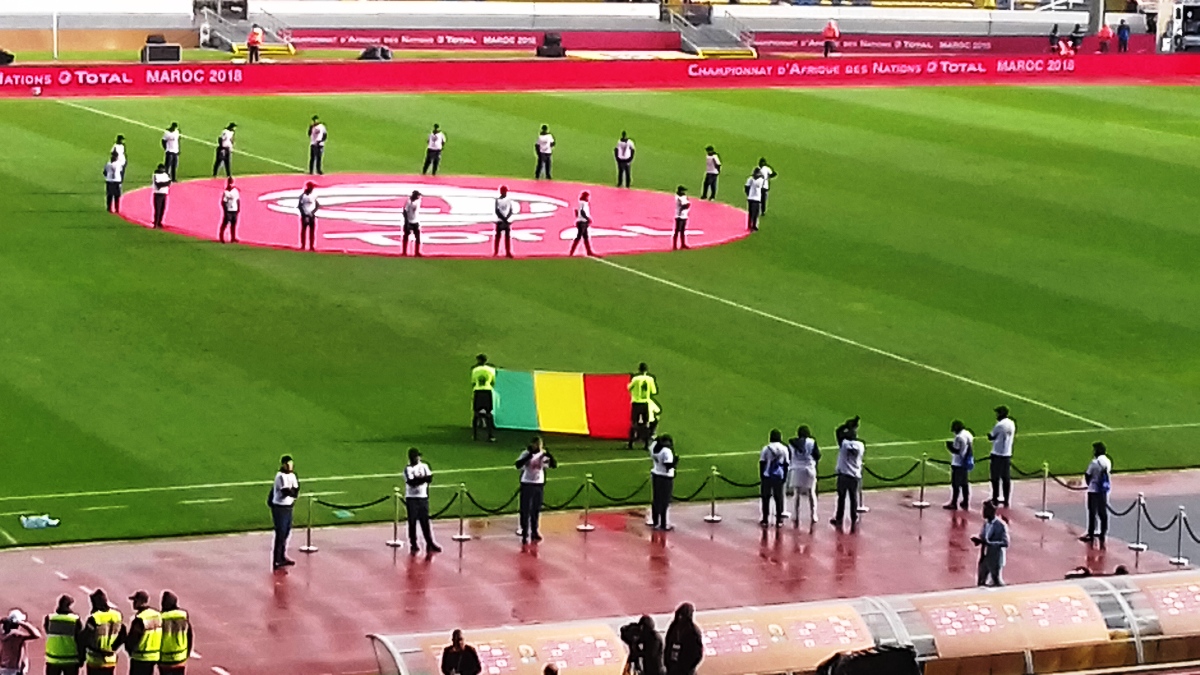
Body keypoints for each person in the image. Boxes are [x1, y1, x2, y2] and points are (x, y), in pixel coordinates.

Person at [515, 436, 556, 544]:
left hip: (538, 484)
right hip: (527, 483)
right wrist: (529, 456)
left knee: (536, 509)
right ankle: (524, 532)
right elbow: (518, 465)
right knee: (525, 509)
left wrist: (549, 455)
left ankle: (534, 531)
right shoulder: (526, 453)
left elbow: (553, 465)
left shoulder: (543, 455)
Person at [404, 447, 442, 554]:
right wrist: (422, 479)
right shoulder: (407, 469)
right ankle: (413, 544)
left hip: (423, 497)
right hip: (411, 498)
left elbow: (429, 478)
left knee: (425, 522)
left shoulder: (424, 466)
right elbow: (412, 482)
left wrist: (419, 479)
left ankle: (430, 543)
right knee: (412, 522)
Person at [81, 590, 125, 675]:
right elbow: (123, 635)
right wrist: (113, 648)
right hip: (110, 659)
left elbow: (85, 638)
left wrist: (81, 656)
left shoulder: (94, 618)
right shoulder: (117, 615)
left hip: (95, 660)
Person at [831, 418, 864, 530]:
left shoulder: (844, 444)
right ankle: (854, 518)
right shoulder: (860, 445)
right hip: (855, 475)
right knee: (853, 497)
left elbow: (838, 432)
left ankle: (839, 518)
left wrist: (846, 425)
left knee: (841, 498)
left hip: (844, 475)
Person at [269, 455, 300, 570]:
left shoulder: (292, 476)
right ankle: (277, 559)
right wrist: (292, 492)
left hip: (288, 506)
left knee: (286, 531)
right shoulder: (280, 476)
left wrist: (292, 492)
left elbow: (295, 490)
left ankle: (282, 556)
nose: (289, 466)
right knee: (280, 532)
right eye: (287, 464)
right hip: (280, 507)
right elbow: (286, 491)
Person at [1080, 442, 1113, 546]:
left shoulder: (1094, 463)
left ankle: (1091, 533)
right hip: (1103, 490)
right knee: (1102, 512)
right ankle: (1103, 532)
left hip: (1093, 490)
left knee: (1092, 512)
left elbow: (1088, 475)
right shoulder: (1107, 461)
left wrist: (1090, 483)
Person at [787, 425, 820, 526]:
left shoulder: (792, 444)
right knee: (811, 493)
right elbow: (817, 455)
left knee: (796, 494)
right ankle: (813, 515)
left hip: (796, 469)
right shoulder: (812, 442)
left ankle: (795, 515)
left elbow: (789, 456)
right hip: (809, 469)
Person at [44, 595, 83, 675]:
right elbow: (80, 638)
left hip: (53, 658)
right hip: (70, 659)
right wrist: (82, 658)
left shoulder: (50, 618)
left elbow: (48, 631)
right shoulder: (74, 619)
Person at [123, 592, 160, 675]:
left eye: (135, 601)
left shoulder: (140, 619)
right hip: (154, 656)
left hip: (140, 657)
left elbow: (133, 639)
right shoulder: (157, 615)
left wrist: (128, 648)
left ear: (140, 602)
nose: (133, 603)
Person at [973, 501, 1008, 587]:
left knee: (996, 581)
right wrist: (978, 539)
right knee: (981, 581)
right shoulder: (986, 523)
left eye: (985, 510)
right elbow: (983, 536)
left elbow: (1005, 542)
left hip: (995, 558)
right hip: (984, 557)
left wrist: (989, 543)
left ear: (992, 511)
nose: (982, 512)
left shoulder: (1000, 525)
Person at [987, 405, 1016, 507]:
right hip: (1007, 454)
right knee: (1006, 478)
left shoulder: (999, 425)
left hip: (997, 454)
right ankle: (1006, 499)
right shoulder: (1012, 423)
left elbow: (991, 436)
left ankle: (995, 498)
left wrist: (989, 435)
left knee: (995, 478)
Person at [759, 430, 789, 527]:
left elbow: (762, 462)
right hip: (778, 476)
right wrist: (784, 476)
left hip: (767, 475)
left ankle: (765, 519)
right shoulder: (784, 449)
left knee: (766, 498)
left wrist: (762, 475)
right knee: (778, 498)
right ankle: (779, 519)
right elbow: (786, 464)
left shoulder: (766, 448)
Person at [157, 592, 191, 675]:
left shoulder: (160, 618)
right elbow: (190, 637)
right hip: (180, 658)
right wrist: (187, 654)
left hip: (164, 659)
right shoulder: (183, 616)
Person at [943, 420, 974, 511]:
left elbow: (956, 450)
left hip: (958, 463)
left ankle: (954, 503)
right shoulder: (968, 434)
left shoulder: (959, 437)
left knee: (956, 484)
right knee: (964, 483)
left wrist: (948, 446)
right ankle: (965, 501)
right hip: (965, 461)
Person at [663, 603, 702, 675]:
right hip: (673, 667)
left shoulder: (693, 632)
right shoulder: (673, 627)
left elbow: (698, 653)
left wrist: (688, 668)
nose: (680, 618)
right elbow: (667, 643)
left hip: (684, 669)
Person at [649, 435, 677, 531]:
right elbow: (668, 466)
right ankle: (663, 524)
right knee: (664, 501)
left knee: (656, 499)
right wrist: (675, 462)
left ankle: (655, 521)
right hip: (665, 477)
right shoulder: (666, 451)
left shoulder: (653, 447)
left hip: (656, 474)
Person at [1, 610, 41, 675]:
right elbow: (37, 635)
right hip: (13, 670)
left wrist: (3, 621)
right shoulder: (16, 635)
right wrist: (22, 623)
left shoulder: (3, 634)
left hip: (3, 669)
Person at [627, 363, 657, 450]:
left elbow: (629, 388)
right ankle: (646, 444)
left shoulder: (635, 379)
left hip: (636, 403)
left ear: (639, 370)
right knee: (645, 423)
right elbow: (654, 391)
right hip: (645, 403)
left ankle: (630, 444)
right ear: (646, 370)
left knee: (634, 423)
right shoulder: (650, 379)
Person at [471, 354, 497, 441]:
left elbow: (473, 382)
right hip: (487, 392)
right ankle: (490, 435)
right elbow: (493, 382)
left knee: (476, 414)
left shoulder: (475, 370)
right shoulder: (491, 370)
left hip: (478, 391)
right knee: (488, 414)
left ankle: (474, 435)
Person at [568, 191, 594, 257]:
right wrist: (587, 218)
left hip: (582, 221)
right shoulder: (583, 203)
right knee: (579, 236)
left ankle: (588, 251)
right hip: (582, 221)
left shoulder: (581, 203)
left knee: (585, 237)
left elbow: (577, 211)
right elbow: (582, 212)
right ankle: (572, 251)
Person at [298, 181, 319, 252]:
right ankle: (303, 245)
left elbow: (317, 205)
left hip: (311, 216)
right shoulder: (303, 196)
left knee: (312, 231)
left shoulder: (313, 196)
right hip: (305, 216)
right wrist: (305, 215)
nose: (312, 189)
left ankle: (311, 246)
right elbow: (300, 206)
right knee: (304, 230)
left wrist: (312, 213)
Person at [494, 186, 514, 259]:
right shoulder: (498, 200)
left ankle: (508, 252)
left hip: (504, 220)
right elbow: (497, 211)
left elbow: (511, 210)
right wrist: (505, 219)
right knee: (498, 237)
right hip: (501, 220)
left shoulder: (508, 200)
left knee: (507, 237)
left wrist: (506, 219)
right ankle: (496, 252)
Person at [219, 177, 240, 244]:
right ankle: (221, 237)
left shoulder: (235, 191)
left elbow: (238, 200)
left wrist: (238, 209)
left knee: (233, 224)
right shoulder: (226, 192)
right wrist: (225, 211)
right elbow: (223, 202)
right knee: (225, 223)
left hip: (234, 209)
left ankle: (233, 237)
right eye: (229, 182)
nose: (230, 184)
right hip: (228, 210)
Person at [402, 190, 422, 257]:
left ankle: (417, 252)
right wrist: (406, 221)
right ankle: (404, 252)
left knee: (417, 237)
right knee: (406, 236)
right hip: (409, 221)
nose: (419, 197)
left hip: (415, 221)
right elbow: (405, 211)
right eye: (418, 195)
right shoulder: (409, 201)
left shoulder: (418, 201)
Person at [151, 165, 171, 230]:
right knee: (158, 209)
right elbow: (158, 184)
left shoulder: (166, 175)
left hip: (164, 193)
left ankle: (159, 222)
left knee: (162, 209)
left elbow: (168, 182)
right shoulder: (156, 175)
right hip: (157, 194)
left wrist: (164, 184)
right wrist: (165, 184)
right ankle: (156, 223)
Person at [672, 186, 690, 251]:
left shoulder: (683, 196)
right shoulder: (678, 197)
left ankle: (683, 244)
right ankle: (674, 245)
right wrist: (687, 204)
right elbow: (684, 205)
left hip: (684, 215)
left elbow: (687, 204)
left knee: (682, 231)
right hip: (679, 216)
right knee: (677, 231)